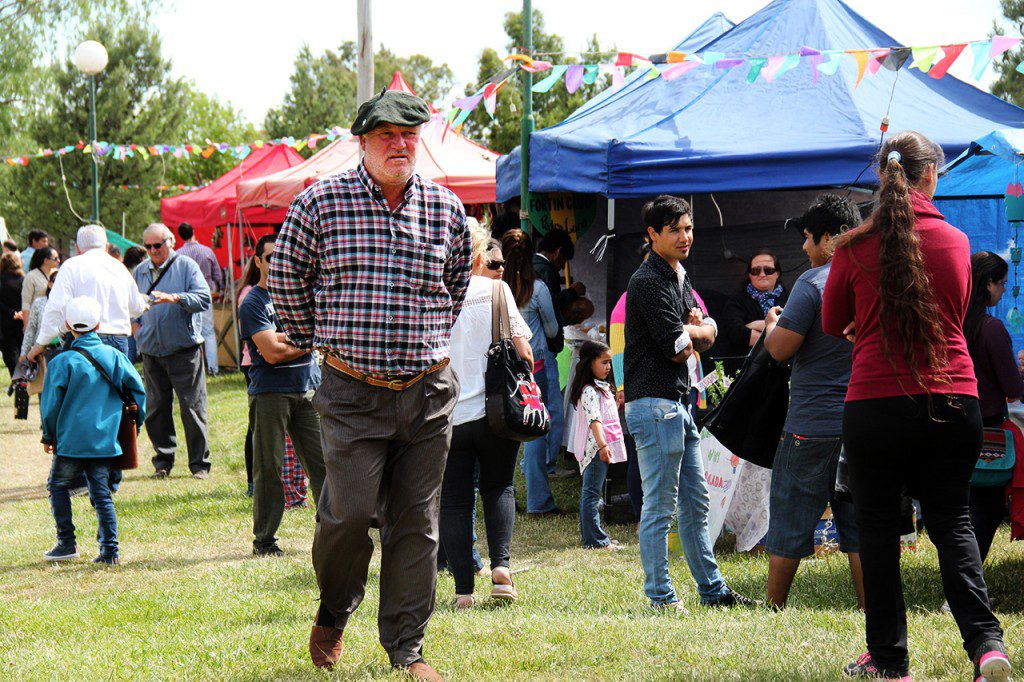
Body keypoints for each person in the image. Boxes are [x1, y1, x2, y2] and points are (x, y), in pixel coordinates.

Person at [268, 88, 470, 680]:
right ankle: (334, 609)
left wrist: (426, 338)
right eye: (387, 135)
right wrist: (315, 338)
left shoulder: (446, 207)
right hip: (351, 392)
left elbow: (455, 284)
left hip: (428, 392)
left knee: (418, 525)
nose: (400, 145)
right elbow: (286, 275)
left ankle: (407, 649)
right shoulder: (320, 202)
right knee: (348, 514)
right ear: (362, 141)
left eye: (410, 135)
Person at [822, 131, 1011, 682]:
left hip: (876, 403)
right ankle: (987, 646)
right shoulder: (955, 241)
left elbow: (833, 322)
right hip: (953, 397)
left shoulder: (854, 245)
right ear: (930, 175)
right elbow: (955, 313)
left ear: (885, 174)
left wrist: (867, 325)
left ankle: (890, 661)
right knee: (953, 521)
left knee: (879, 529)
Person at [623, 195, 755, 611]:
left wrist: (698, 329)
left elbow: (703, 332)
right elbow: (679, 347)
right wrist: (701, 329)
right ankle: (660, 598)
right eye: (675, 230)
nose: (685, 237)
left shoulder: (679, 274)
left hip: (678, 403)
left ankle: (712, 591)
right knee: (660, 508)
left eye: (689, 228)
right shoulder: (647, 280)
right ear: (652, 234)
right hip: (654, 405)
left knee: (697, 504)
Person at [761, 193, 864, 610]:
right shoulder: (872, 279)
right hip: (861, 422)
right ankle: (870, 607)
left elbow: (779, 349)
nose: (804, 248)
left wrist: (771, 324)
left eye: (808, 237)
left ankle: (773, 607)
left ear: (832, 237)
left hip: (811, 426)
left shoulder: (813, 283)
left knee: (790, 517)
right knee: (859, 524)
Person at [441, 221, 531, 610]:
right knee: (499, 487)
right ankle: (501, 569)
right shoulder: (496, 290)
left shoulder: (435, 294)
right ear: (478, 255)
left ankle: (464, 591)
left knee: (454, 502)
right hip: (496, 410)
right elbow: (523, 350)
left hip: (448, 413)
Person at [238, 233, 327, 557]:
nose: (278, 263)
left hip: (309, 389)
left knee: (324, 465)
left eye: (283, 257)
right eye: (271, 258)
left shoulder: (302, 295)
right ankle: (265, 540)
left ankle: (333, 530)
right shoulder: (253, 302)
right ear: (258, 261)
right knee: (269, 469)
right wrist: (306, 340)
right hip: (270, 393)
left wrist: (286, 338)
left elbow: (322, 332)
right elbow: (271, 353)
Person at [40, 296, 146, 565]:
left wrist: (48, 435)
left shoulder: (61, 362)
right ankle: (110, 551)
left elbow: (50, 406)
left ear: (67, 325)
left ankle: (66, 542)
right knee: (101, 493)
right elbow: (138, 393)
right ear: (98, 324)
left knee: (58, 486)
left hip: (70, 442)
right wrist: (136, 426)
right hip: (104, 440)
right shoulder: (115, 356)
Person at [132, 223, 213, 480]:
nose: (153, 250)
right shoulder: (139, 271)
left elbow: (204, 299)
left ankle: (199, 465)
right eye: (148, 246)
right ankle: (163, 461)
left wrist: (176, 298)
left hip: (183, 350)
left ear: (171, 242)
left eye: (158, 244)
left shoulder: (186, 266)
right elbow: (131, 305)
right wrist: (137, 330)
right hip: (151, 351)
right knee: (156, 409)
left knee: (192, 408)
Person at [963, 251, 1023, 563]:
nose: (1002, 291)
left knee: (960, 510)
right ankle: (967, 578)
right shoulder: (991, 329)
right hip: (987, 432)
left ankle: (959, 574)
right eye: (1001, 284)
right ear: (988, 284)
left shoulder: (952, 324)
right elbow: (1013, 390)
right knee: (986, 510)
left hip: (949, 427)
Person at [503, 229, 561, 515]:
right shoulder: (538, 289)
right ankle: (539, 500)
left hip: (502, 369)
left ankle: (504, 495)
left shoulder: (496, 289)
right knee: (536, 430)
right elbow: (551, 330)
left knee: (504, 433)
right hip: (533, 367)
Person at [26, 225, 147, 361]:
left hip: (82, 338)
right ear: (106, 247)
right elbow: (137, 308)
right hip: (118, 340)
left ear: (77, 248)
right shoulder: (120, 268)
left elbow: (55, 308)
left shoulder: (70, 266)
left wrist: (40, 343)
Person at [533, 229, 583, 476]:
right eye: (563, 260)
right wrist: (572, 294)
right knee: (552, 411)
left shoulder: (530, 268)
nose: (562, 265)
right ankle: (548, 465)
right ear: (558, 252)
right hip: (543, 350)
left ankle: (536, 463)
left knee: (536, 409)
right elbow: (551, 320)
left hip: (529, 350)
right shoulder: (545, 272)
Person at [570, 340, 627, 550]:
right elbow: (594, 420)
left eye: (609, 362)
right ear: (589, 363)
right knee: (592, 494)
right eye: (604, 362)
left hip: (599, 448)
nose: (608, 367)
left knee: (593, 493)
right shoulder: (589, 391)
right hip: (595, 449)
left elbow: (603, 414)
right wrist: (603, 447)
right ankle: (595, 540)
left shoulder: (600, 388)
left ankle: (593, 537)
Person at [175, 222, 224, 375]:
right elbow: (218, 276)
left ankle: (192, 369)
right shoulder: (207, 251)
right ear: (193, 231)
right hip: (204, 296)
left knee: (188, 333)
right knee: (208, 333)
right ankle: (213, 368)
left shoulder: (177, 255)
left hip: (185, 297)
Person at [720, 249, 788, 356]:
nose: (762, 274)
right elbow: (734, 332)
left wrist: (755, 325)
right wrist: (775, 337)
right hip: (748, 361)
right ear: (750, 275)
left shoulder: (791, 299)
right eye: (756, 270)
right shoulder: (736, 301)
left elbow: (795, 330)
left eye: (768, 270)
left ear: (777, 273)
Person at [19, 268, 61, 362]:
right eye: (55, 280)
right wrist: (24, 352)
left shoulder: (68, 302)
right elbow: (31, 329)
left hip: (62, 349)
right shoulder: (39, 302)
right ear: (49, 283)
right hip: (42, 351)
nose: (58, 283)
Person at [0, 252, 24, 375]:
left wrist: (11, 312)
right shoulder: (24, 280)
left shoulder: (1, 281)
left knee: (10, 354)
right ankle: (24, 378)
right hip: (23, 320)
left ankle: (17, 379)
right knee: (22, 350)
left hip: (5, 323)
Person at [20, 246, 60, 314]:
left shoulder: (58, 273)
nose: (59, 261)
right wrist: (26, 320)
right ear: (46, 260)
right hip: (36, 315)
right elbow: (26, 303)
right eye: (55, 259)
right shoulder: (31, 276)